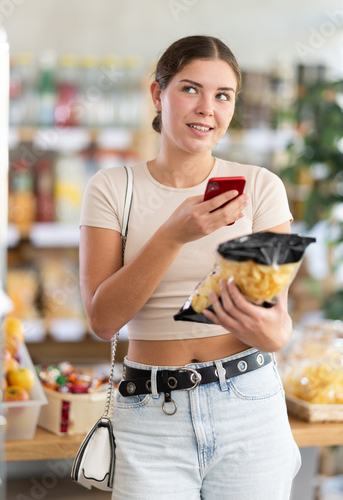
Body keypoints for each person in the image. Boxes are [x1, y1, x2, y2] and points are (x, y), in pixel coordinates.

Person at [79, 35, 301, 500]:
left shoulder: (260, 188)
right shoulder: (113, 188)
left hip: (249, 402)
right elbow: (103, 320)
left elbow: (275, 317)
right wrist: (174, 234)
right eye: (191, 89)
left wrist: (276, 333)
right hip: (148, 411)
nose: (207, 108)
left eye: (223, 96)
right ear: (159, 94)